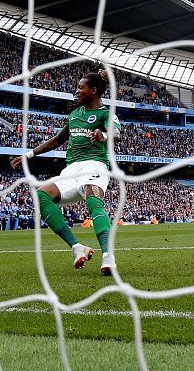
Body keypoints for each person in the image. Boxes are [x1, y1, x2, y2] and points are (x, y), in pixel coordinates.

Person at [11, 70, 121, 275]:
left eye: (81, 87)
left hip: (94, 165)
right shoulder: (74, 115)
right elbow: (57, 140)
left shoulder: (106, 113)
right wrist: (28, 155)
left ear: (93, 90)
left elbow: (115, 133)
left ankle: (108, 256)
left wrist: (103, 135)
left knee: (93, 201)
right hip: (71, 170)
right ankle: (77, 247)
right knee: (41, 195)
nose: (77, 91)